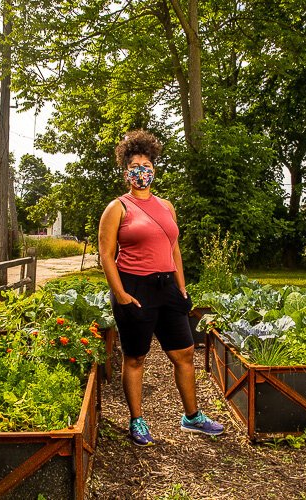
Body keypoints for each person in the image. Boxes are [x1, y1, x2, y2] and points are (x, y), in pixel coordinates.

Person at [98, 129, 224, 446]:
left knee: (183, 353)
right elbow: (106, 256)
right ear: (126, 171)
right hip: (134, 287)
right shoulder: (117, 208)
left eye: (147, 164)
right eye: (135, 165)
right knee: (136, 358)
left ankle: (192, 417)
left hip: (167, 287)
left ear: (154, 168)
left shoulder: (166, 206)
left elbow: (174, 249)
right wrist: (122, 294)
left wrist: (181, 287)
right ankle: (137, 421)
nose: (142, 170)